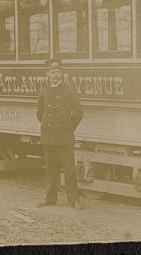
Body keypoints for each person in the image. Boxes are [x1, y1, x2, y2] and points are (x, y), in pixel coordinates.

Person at [36, 58, 84, 209]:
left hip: (64, 136)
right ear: (47, 75)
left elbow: (78, 113)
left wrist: (69, 128)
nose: (55, 75)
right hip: (48, 135)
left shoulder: (69, 91)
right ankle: (50, 198)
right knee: (50, 169)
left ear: (62, 74)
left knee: (69, 169)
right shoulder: (43, 91)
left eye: (57, 72)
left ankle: (74, 200)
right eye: (52, 72)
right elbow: (39, 114)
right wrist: (47, 126)